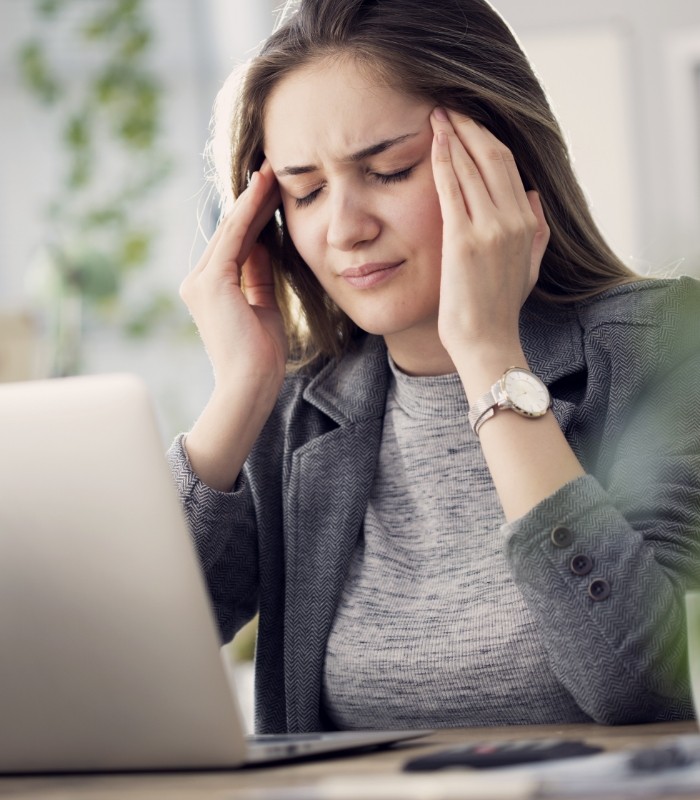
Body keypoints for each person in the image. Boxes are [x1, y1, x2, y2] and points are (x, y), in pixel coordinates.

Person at [168, 0, 700, 734]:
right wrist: (242, 390)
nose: (346, 229)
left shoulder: (664, 346)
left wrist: (488, 355)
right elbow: (115, 665)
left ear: (501, 159)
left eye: (387, 171)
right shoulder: (298, 411)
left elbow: (641, 687)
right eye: (307, 191)